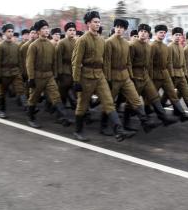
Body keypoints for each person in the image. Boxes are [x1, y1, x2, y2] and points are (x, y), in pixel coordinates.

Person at [71, 11, 136, 142]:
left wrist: (107, 77)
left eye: (98, 22)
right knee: (82, 105)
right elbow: (76, 62)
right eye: (95, 22)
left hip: (100, 75)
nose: (97, 24)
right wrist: (76, 80)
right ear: (88, 23)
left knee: (108, 102)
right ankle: (78, 131)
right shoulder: (82, 40)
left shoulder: (102, 40)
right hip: (86, 76)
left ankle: (119, 130)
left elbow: (105, 60)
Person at [104, 19, 159, 134]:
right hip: (113, 77)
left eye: (121, 27)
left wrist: (131, 76)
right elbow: (107, 62)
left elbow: (128, 62)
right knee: (109, 101)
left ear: (125, 29)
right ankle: (103, 126)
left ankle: (145, 123)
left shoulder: (126, 43)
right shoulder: (109, 42)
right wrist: (107, 79)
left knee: (135, 99)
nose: (119, 29)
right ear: (114, 28)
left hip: (125, 76)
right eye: (117, 27)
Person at [26, 20, 73, 128]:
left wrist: (55, 75)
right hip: (37, 76)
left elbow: (55, 61)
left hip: (49, 76)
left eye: (47, 28)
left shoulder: (51, 45)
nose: (46, 30)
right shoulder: (33, 46)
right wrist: (31, 78)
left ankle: (63, 117)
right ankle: (30, 117)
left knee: (56, 96)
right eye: (43, 29)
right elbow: (29, 63)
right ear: (38, 31)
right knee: (33, 97)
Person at [129, 24, 178, 127]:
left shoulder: (148, 46)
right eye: (141, 31)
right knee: (133, 100)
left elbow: (149, 63)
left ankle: (164, 118)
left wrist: (149, 76)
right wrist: (131, 78)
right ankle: (125, 123)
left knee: (154, 96)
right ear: (138, 32)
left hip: (145, 75)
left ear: (148, 34)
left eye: (146, 32)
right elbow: (129, 63)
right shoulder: (133, 46)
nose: (143, 33)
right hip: (136, 76)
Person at [150, 25, 188, 122]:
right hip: (156, 75)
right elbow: (150, 63)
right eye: (160, 32)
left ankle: (183, 114)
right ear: (156, 33)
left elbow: (173, 62)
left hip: (166, 74)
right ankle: (147, 113)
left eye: (164, 32)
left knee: (172, 94)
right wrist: (151, 76)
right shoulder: (155, 46)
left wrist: (184, 72)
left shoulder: (168, 46)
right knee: (152, 96)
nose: (162, 34)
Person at [0, 24, 26, 118]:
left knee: (21, 90)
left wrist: (21, 72)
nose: (11, 33)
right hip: (4, 73)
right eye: (9, 31)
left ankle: (28, 109)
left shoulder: (16, 46)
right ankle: (2, 110)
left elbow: (19, 60)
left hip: (15, 72)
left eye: (12, 31)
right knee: (2, 92)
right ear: (4, 33)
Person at [56, 22, 77, 109]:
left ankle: (75, 108)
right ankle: (61, 111)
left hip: (74, 71)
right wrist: (59, 73)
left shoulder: (78, 41)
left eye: (74, 30)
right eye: (70, 30)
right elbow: (58, 59)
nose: (72, 32)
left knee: (75, 92)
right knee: (63, 93)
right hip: (65, 71)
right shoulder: (61, 43)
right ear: (66, 31)